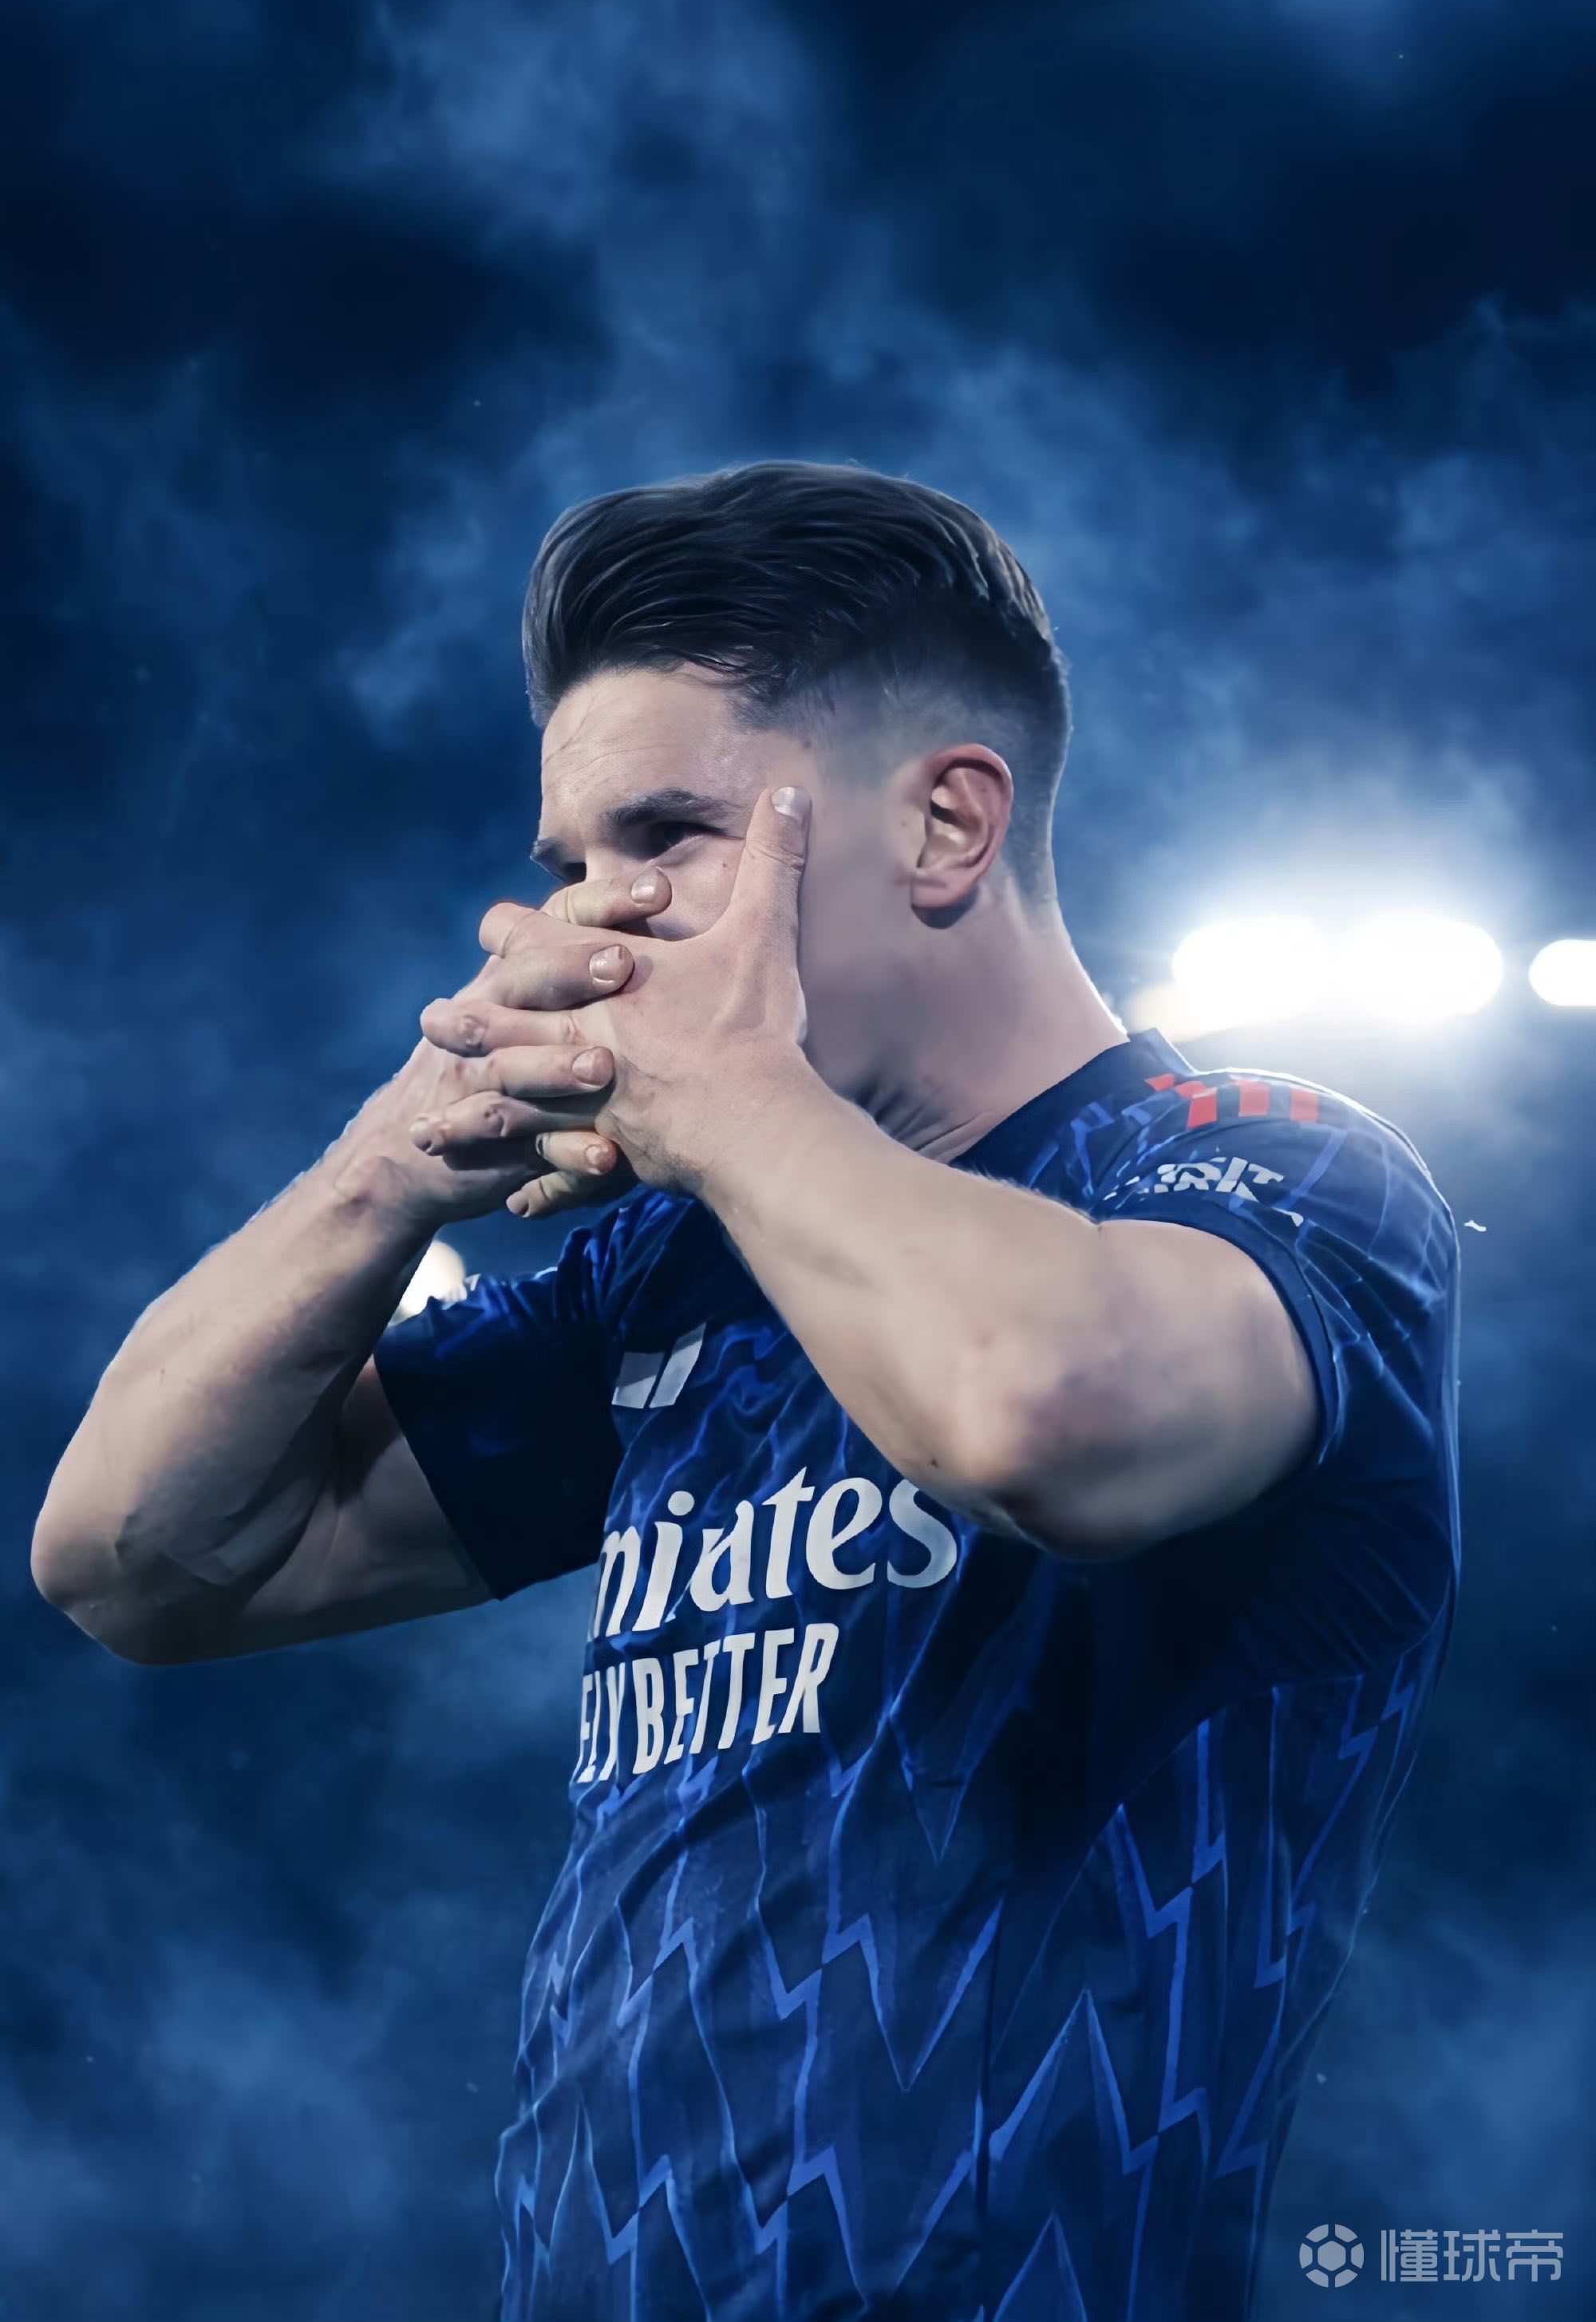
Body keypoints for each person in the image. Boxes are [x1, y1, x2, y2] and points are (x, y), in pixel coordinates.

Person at [32, 461, 1460, 2322]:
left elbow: (1033, 1417)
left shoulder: (1276, 1168)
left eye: (669, 836)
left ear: (945, 825)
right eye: (569, 865)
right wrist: (390, 1164)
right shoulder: (673, 1264)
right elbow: (136, 1559)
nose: (597, 925)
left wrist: (721, 1096)